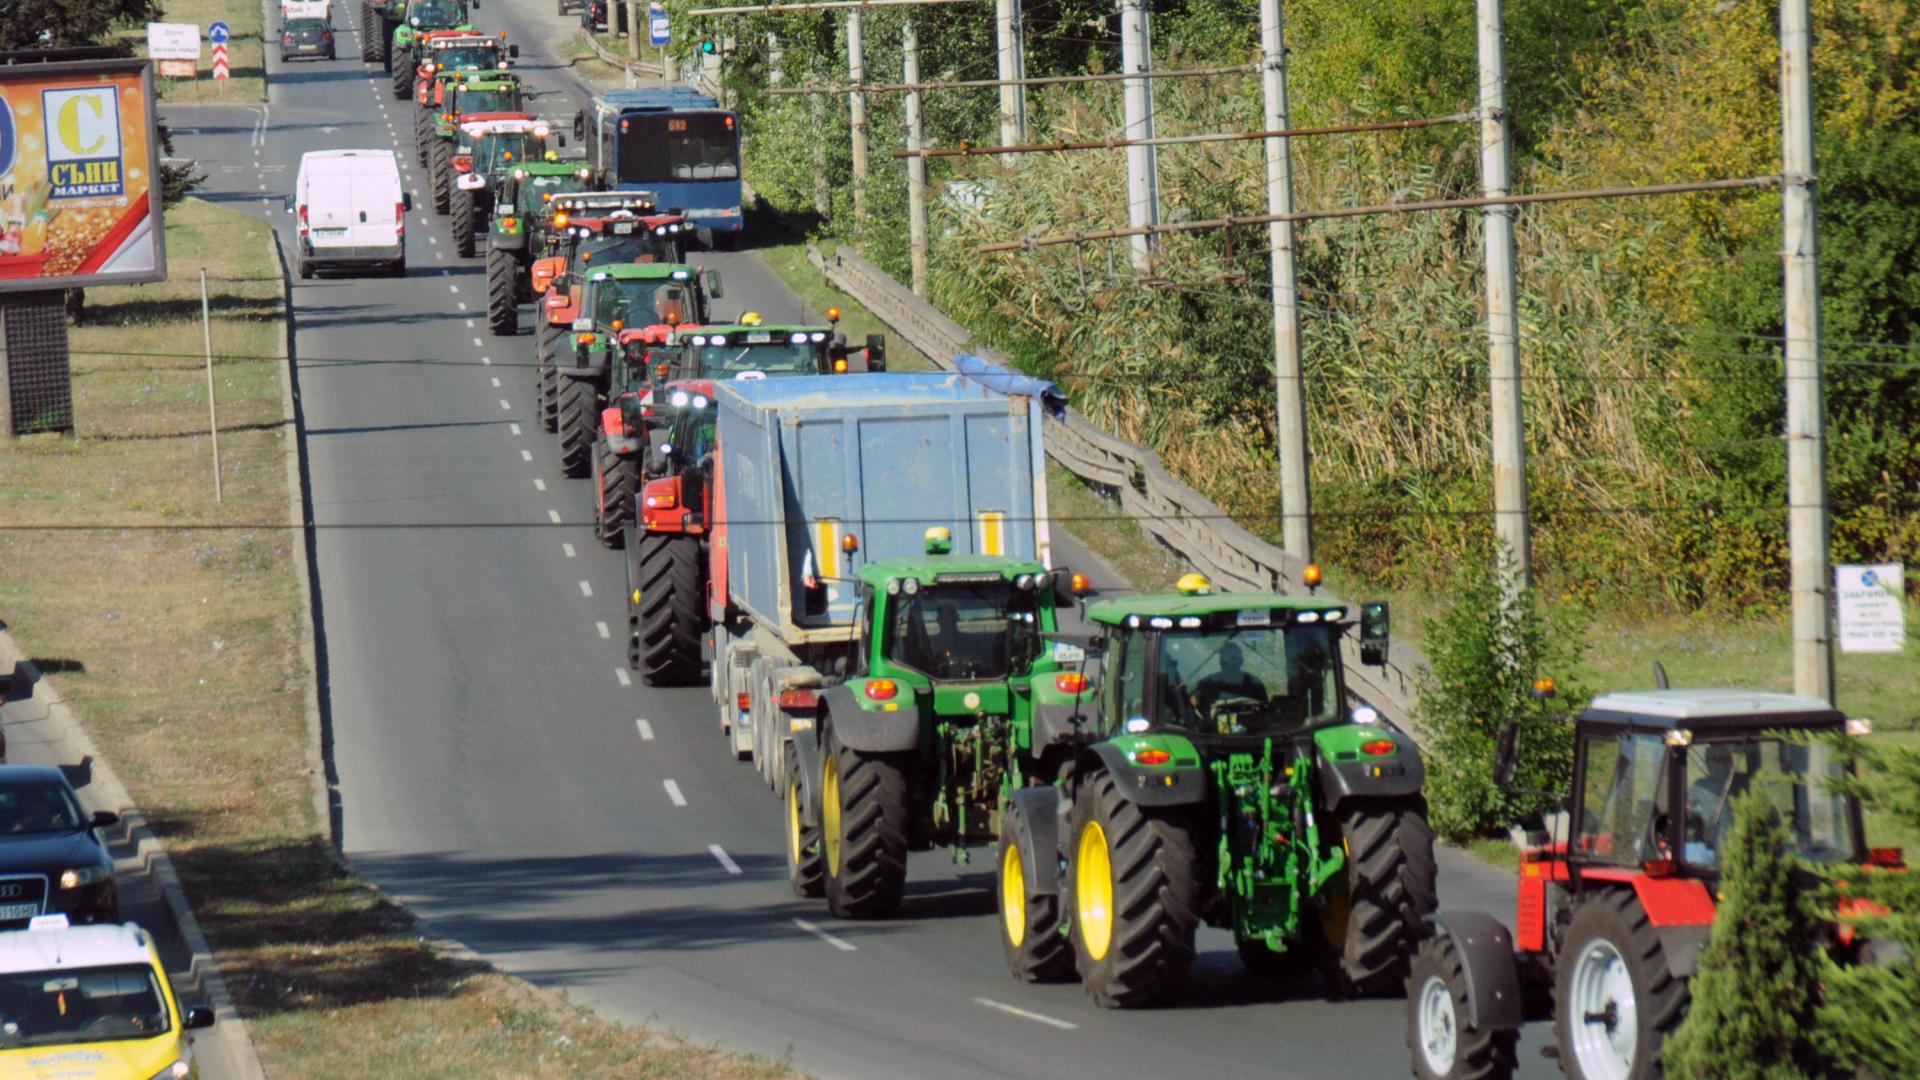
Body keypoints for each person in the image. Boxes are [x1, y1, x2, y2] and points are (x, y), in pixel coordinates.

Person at [1192, 642, 1268, 726]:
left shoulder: (1255, 684)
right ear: (1242, 661)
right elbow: (1194, 707)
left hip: (1255, 734)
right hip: (1211, 735)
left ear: (1220, 662)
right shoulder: (1206, 685)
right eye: (1230, 661)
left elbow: (1266, 711)